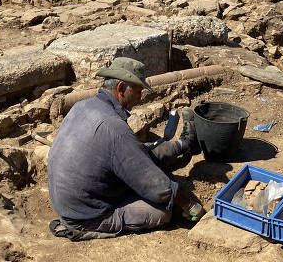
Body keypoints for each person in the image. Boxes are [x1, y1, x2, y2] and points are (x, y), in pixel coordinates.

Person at [47, 57, 202, 240]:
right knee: (162, 212)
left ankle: (184, 144)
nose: (140, 96)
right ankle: (83, 230)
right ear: (121, 88)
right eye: (138, 90)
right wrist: (188, 204)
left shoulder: (82, 106)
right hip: (86, 214)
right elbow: (154, 185)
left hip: (66, 198)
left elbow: (134, 154)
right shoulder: (115, 129)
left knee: (139, 152)